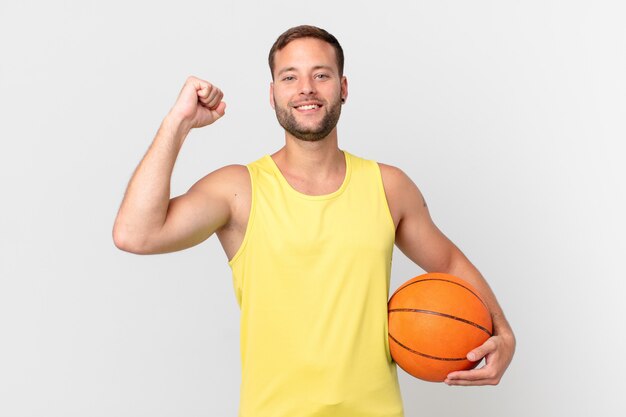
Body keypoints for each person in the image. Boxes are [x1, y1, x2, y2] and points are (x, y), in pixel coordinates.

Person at [113, 25, 515, 417]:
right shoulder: (239, 190)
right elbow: (135, 234)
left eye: (320, 74)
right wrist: (178, 122)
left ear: (343, 87)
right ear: (272, 95)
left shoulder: (389, 187)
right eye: (290, 77)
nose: (306, 87)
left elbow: (448, 264)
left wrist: (503, 333)